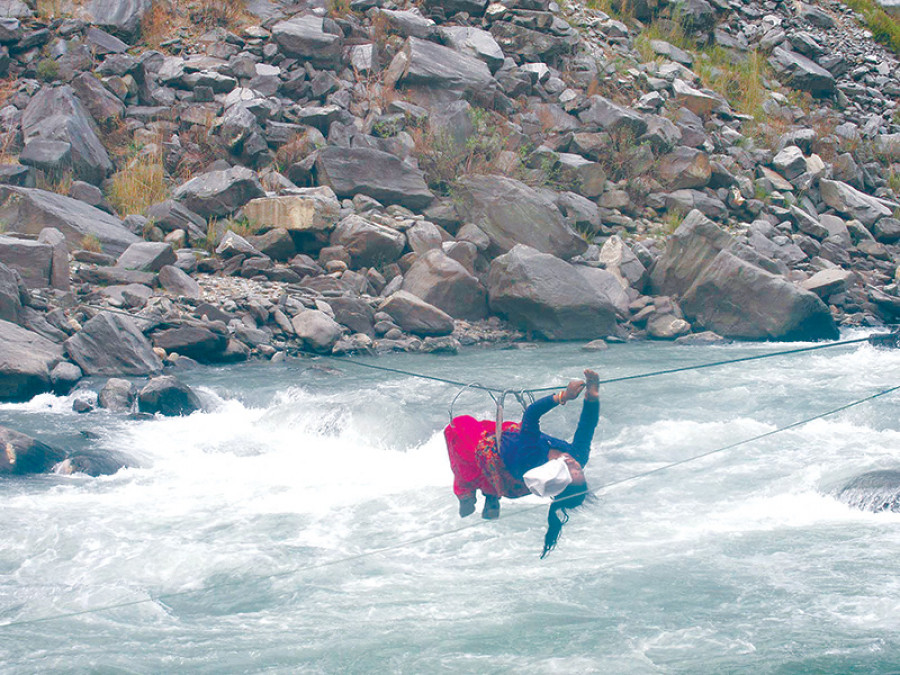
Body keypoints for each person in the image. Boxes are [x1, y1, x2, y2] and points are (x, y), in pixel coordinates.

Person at [444, 369, 600, 557]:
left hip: (501, 458)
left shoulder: (531, 457)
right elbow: (587, 426)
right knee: (500, 428)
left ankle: (465, 495)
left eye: (572, 472)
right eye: (580, 472)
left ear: (558, 478)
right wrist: (592, 396)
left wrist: (563, 396)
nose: (576, 465)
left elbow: (532, 415)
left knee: (461, 430)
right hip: (515, 461)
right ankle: (491, 495)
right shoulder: (577, 458)